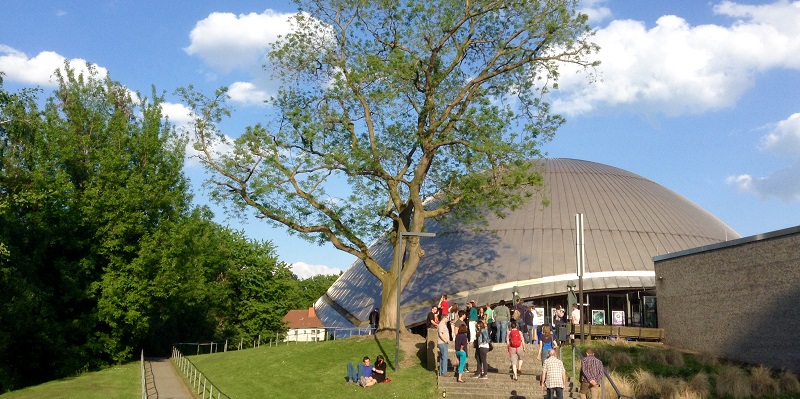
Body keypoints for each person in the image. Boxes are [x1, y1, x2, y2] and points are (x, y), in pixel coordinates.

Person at [437, 312, 451, 377]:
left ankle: (441, 372)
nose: (448, 319)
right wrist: (445, 340)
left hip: (443, 343)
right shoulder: (441, 324)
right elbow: (440, 334)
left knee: (442, 357)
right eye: (447, 318)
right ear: (444, 317)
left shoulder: (443, 324)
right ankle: (444, 372)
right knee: (444, 357)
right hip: (442, 343)